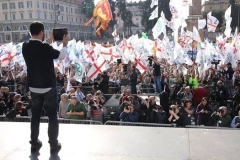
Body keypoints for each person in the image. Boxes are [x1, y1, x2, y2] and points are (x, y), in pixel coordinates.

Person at [22, 21, 69, 154]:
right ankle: (53, 145)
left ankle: (34, 144)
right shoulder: (44, 48)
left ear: (31, 32)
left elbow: (39, 48)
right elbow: (62, 55)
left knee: (35, 116)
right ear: (42, 32)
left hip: (33, 87)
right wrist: (65, 43)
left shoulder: (25, 46)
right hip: (48, 87)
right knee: (52, 115)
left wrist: (50, 39)